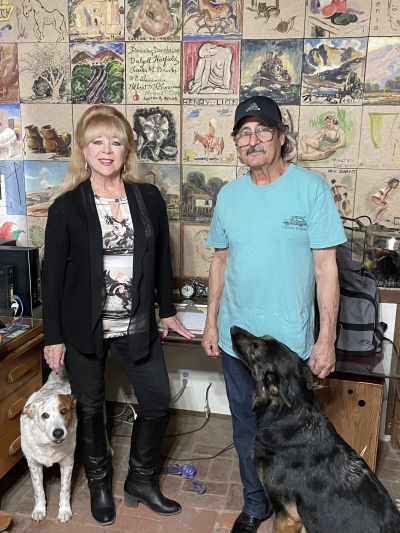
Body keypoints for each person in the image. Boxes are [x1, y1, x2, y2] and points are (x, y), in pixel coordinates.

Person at [42, 105, 195, 526]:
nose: (106, 150)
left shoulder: (147, 198)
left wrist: (168, 312)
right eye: (97, 141)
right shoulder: (67, 208)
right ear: (83, 150)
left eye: (115, 141)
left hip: (137, 324)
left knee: (157, 400)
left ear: (127, 149)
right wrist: (52, 337)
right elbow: (51, 280)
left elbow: (163, 259)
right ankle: (99, 485)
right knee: (90, 410)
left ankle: (141, 482)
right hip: (82, 330)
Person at [201, 95, 346, 533]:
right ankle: (256, 506)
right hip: (238, 342)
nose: (253, 139)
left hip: (289, 347)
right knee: (247, 429)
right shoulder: (228, 195)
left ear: (282, 137)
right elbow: (220, 262)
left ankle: (301, 508)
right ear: (236, 144)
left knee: (297, 434)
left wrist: (326, 339)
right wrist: (211, 322)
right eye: (244, 132)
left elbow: (326, 267)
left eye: (263, 129)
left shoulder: (310, 188)